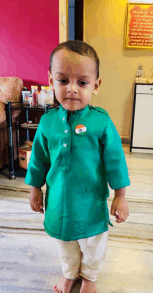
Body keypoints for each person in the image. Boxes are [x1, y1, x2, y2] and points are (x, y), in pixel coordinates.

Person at [25, 40, 130, 293]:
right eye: (63, 81)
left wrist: (121, 196)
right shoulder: (48, 122)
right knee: (64, 241)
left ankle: (90, 277)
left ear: (96, 85)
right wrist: (35, 189)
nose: (72, 89)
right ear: (51, 81)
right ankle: (70, 274)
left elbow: (116, 162)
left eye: (82, 82)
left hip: (91, 202)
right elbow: (38, 159)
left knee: (93, 243)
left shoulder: (101, 122)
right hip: (59, 200)